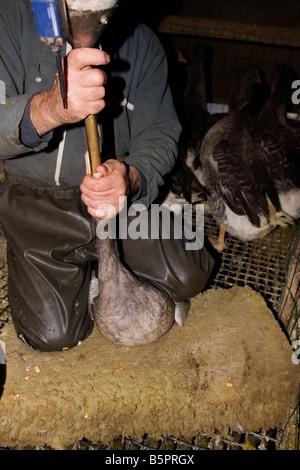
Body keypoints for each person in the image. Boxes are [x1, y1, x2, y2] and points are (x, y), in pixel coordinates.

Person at [0, 0, 215, 352]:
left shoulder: (142, 44)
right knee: (54, 336)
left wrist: (131, 177)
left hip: (118, 206)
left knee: (191, 268)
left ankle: (101, 277)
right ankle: (63, 272)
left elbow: (160, 134)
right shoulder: (8, 21)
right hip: (37, 203)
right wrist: (49, 108)